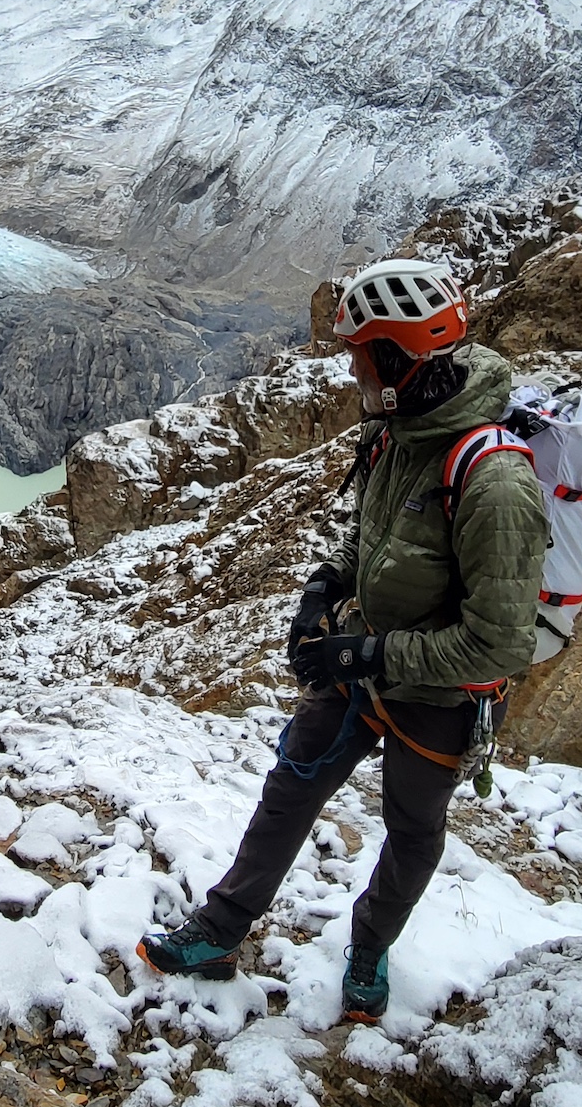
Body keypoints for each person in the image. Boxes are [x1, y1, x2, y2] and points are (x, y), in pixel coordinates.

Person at [137, 259, 549, 1022]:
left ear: (398, 358)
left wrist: (368, 655)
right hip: (362, 656)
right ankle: (221, 929)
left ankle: (369, 946)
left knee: (413, 830)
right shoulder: (401, 430)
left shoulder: (495, 484)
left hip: (436, 696)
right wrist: (323, 588)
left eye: (362, 355)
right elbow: (377, 529)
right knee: (293, 782)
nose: (352, 370)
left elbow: (500, 644)